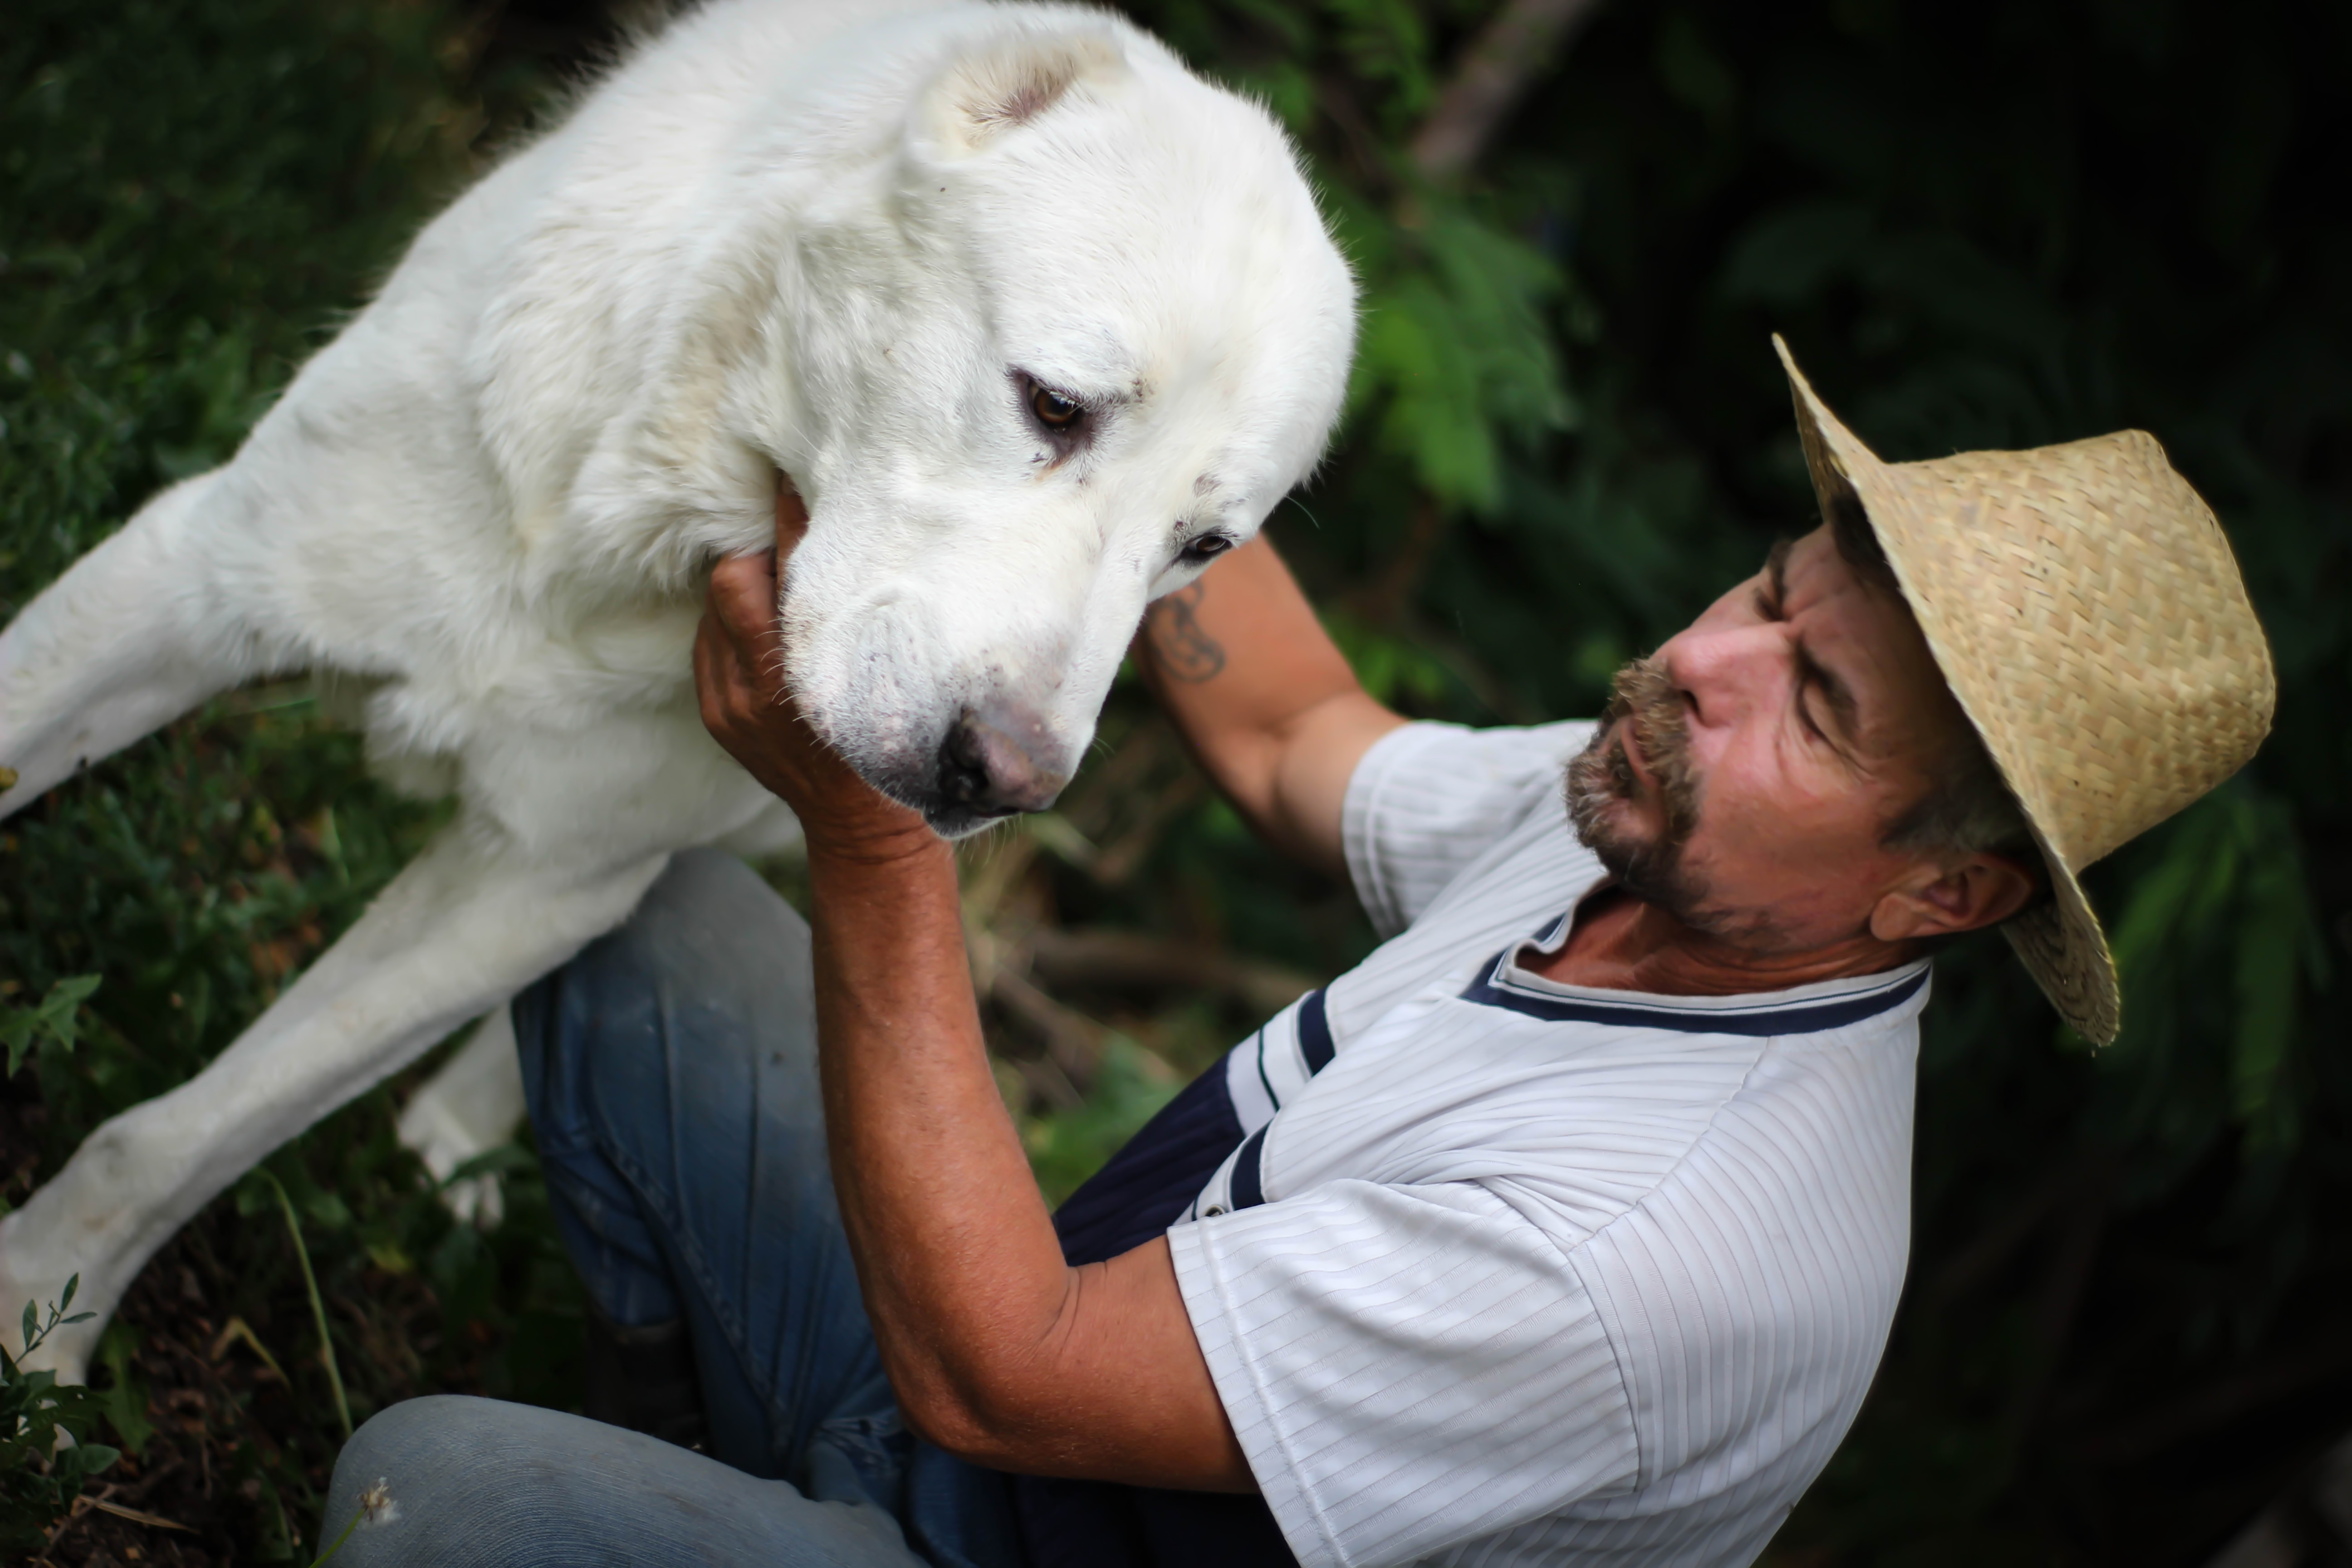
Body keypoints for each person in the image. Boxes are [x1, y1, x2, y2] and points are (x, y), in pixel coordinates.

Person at [322, 340, 2274, 1567]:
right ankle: (679, 1449)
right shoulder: (1652, 819)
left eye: (1815, 701)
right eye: (1768, 592)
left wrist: (874, 835)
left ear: (1945, 896)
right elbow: (1288, 734)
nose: (1701, 663)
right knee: (641, 916)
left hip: (1008, 1433)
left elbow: (1013, 1373)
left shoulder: (1662, 1260)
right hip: (973, 1395)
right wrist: (1152, 371)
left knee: (435, 1501)